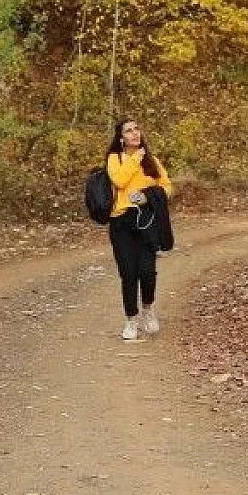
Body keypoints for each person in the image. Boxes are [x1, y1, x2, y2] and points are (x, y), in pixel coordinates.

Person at [104, 117, 172, 341]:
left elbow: (166, 187)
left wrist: (147, 197)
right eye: (128, 131)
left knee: (147, 270)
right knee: (128, 273)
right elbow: (120, 181)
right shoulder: (115, 158)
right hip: (121, 221)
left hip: (147, 220)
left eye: (136, 129)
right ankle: (131, 320)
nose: (134, 133)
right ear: (121, 138)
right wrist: (136, 159)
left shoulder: (151, 160)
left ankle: (148, 309)